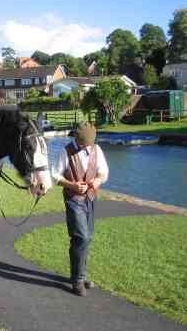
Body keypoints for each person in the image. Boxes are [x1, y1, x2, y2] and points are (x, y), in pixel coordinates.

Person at [51, 122, 109, 297]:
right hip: (73, 200)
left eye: (90, 144)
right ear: (77, 138)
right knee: (81, 237)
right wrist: (72, 185)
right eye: (85, 144)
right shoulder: (65, 151)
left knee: (87, 238)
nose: (88, 147)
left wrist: (97, 182)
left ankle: (80, 276)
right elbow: (55, 175)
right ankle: (77, 281)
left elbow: (104, 172)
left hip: (91, 199)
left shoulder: (96, 150)